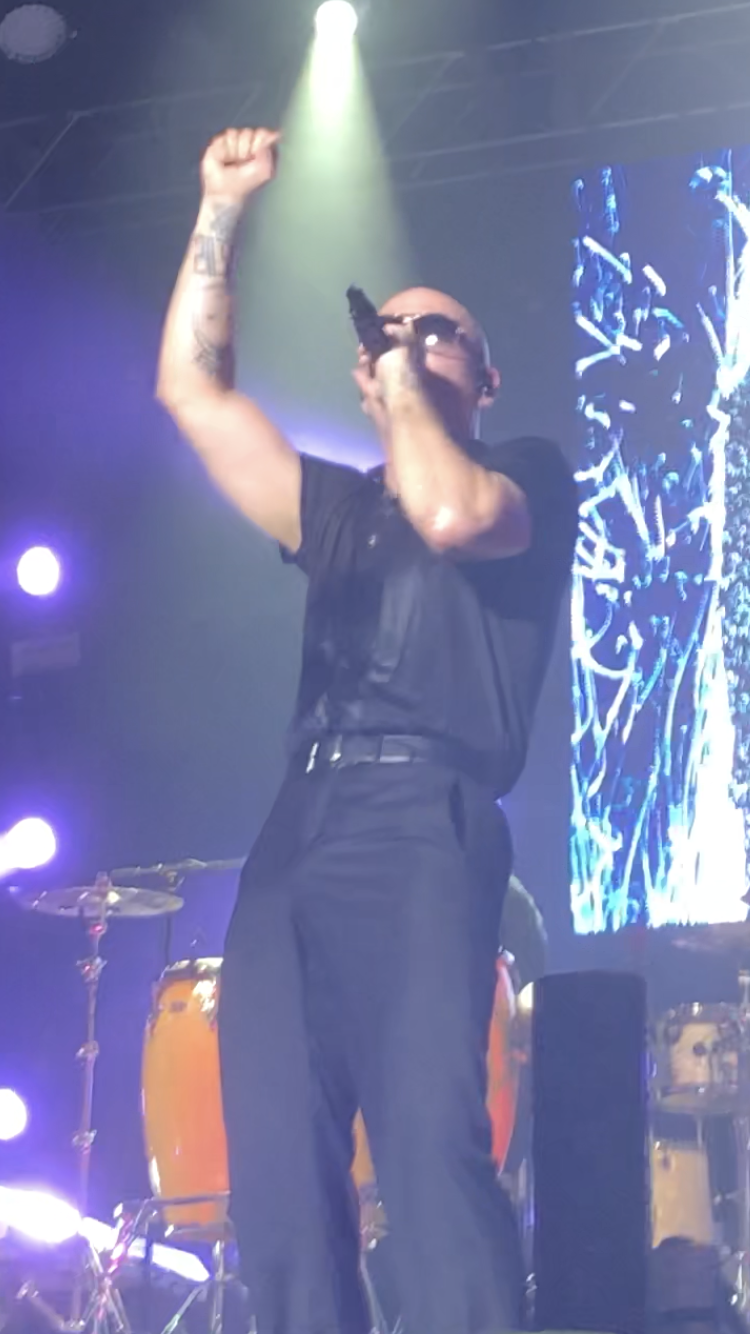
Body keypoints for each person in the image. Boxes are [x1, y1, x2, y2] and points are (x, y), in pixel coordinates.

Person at [156, 126, 579, 1334]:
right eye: (389, 329)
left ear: (484, 378)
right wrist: (220, 210)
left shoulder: (527, 474)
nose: (406, 339)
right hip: (300, 826)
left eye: (436, 330)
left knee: (429, 1154)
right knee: (280, 1185)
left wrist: (399, 390)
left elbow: (450, 512)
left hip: (425, 822)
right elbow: (194, 393)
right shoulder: (334, 512)